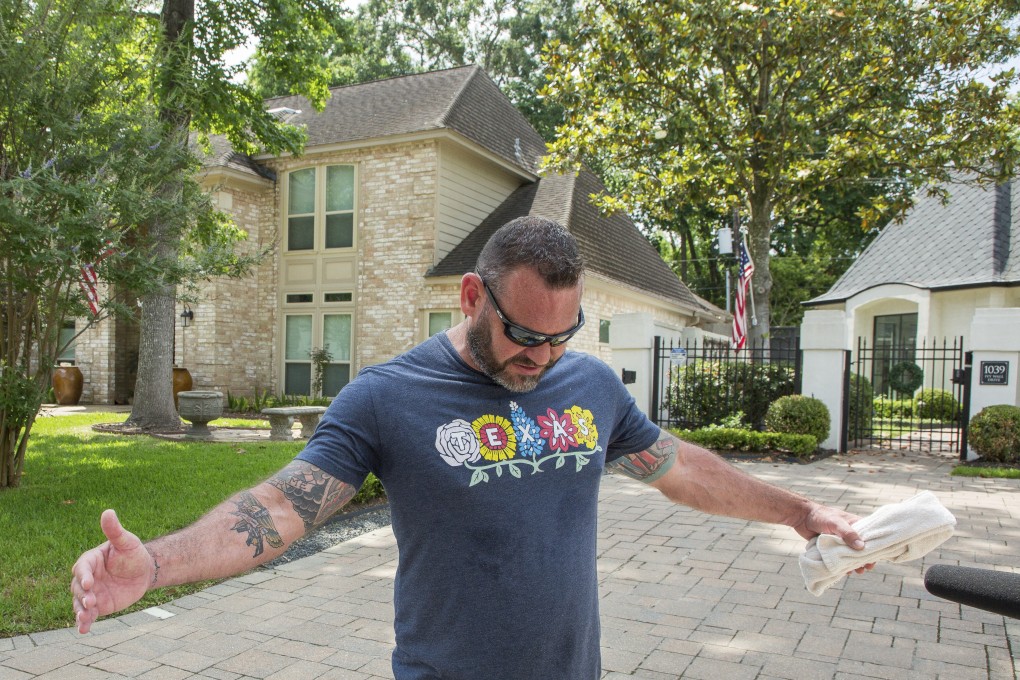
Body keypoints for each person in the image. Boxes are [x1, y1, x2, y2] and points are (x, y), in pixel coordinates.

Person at [71, 216, 869, 679]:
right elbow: (283, 505)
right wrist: (159, 563)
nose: (542, 356)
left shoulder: (589, 385)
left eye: (562, 337)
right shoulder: (388, 397)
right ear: (470, 298)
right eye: (523, 334)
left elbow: (680, 467)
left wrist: (799, 511)